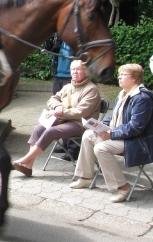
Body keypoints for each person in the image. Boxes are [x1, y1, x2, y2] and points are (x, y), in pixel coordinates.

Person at [69, 64, 153, 203]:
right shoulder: (123, 94)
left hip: (137, 140)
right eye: (119, 74)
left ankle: (122, 187)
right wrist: (100, 126)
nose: (119, 77)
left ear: (135, 78)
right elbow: (115, 117)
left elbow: (135, 127)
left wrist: (111, 134)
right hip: (122, 135)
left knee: (101, 148)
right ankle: (85, 177)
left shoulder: (142, 98)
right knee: (88, 134)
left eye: (123, 75)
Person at [12, 60, 101, 177]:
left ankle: (25, 159)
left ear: (86, 72)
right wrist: (57, 106)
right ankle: (29, 165)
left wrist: (60, 112)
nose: (75, 72)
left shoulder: (91, 90)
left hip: (81, 124)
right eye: (73, 69)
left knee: (51, 131)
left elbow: (81, 112)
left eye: (78, 69)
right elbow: (52, 99)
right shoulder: (68, 87)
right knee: (39, 128)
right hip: (63, 120)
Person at [51, 40, 79, 161]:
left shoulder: (77, 37)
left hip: (70, 77)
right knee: (59, 110)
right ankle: (65, 144)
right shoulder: (58, 37)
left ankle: (74, 149)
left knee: (69, 112)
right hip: (58, 75)